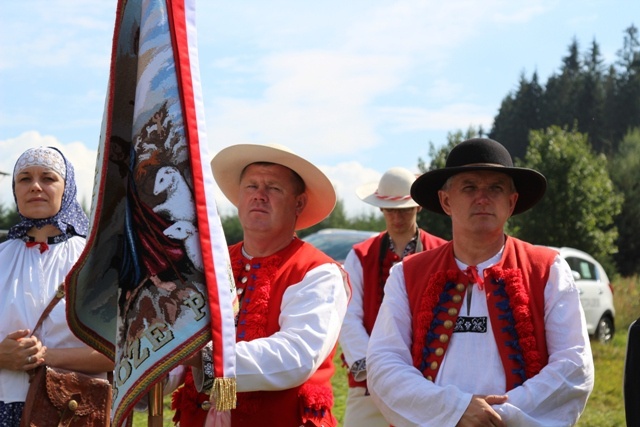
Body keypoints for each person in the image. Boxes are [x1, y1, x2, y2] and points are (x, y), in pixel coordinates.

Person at [366, 138, 594, 426]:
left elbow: (574, 366)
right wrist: (455, 410)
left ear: (511, 203)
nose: (483, 198)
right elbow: (384, 364)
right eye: (469, 187)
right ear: (446, 201)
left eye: (496, 188)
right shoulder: (407, 273)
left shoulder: (547, 268)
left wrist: (496, 416)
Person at [171, 143, 350, 427]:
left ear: (299, 203)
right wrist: (157, 366)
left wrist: (202, 356)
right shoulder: (208, 265)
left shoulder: (319, 272)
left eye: (274, 188)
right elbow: (178, 344)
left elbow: (297, 355)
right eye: (251, 186)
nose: (259, 196)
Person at [0, 147, 114, 425]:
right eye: (25, 179)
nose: (35, 186)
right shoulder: (2, 257)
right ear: (15, 190)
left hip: (72, 410)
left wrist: (44, 356)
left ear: (68, 187)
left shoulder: (94, 260)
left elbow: (117, 352)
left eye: (48, 178)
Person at [339, 167, 446, 427]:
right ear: (381, 209)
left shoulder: (443, 252)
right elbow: (348, 314)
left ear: (418, 208)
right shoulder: (361, 255)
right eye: (391, 210)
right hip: (370, 383)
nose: (397, 217)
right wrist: (375, 368)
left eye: (405, 209)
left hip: (428, 379)